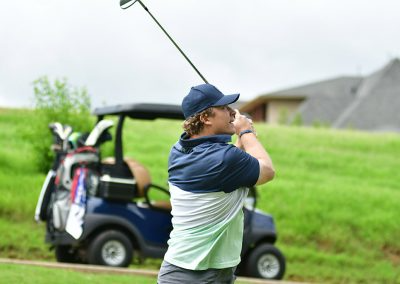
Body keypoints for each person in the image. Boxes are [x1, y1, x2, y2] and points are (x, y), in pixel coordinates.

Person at [157, 83, 275, 284]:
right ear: (205, 118)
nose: (232, 112)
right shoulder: (224, 159)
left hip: (207, 270)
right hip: (190, 275)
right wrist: (247, 133)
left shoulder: (179, 150)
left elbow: (228, 164)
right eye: (224, 108)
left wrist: (241, 140)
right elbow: (267, 171)